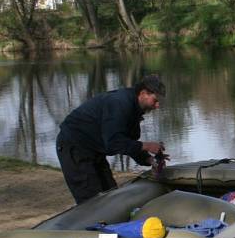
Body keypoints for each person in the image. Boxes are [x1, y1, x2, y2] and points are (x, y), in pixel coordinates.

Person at [56, 75, 167, 204]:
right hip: (74, 146)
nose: (157, 106)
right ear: (143, 93)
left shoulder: (134, 108)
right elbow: (114, 143)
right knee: (92, 202)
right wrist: (147, 145)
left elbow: (127, 142)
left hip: (94, 151)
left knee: (112, 196)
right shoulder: (120, 103)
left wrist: (149, 160)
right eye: (155, 100)